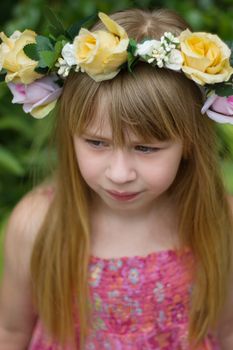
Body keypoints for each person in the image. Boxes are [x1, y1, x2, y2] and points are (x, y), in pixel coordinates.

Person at [0, 6, 233, 350]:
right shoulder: (37, 224)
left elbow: (227, 332)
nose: (119, 174)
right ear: (70, 135)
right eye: (97, 143)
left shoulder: (219, 220)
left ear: (189, 143)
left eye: (146, 149)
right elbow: (11, 332)